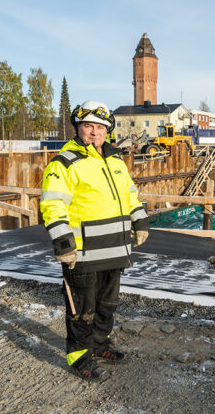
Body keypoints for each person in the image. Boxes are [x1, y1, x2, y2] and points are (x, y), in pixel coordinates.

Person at [40, 100, 149, 380]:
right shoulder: (64, 162)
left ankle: (100, 344)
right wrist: (63, 243)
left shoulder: (115, 161)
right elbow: (53, 205)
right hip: (83, 253)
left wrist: (140, 220)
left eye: (100, 127)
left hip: (114, 249)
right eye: (88, 126)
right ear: (78, 128)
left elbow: (130, 194)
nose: (94, 132)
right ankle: (79, 356)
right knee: (82, 308)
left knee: (106, 304)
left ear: (107, 131)